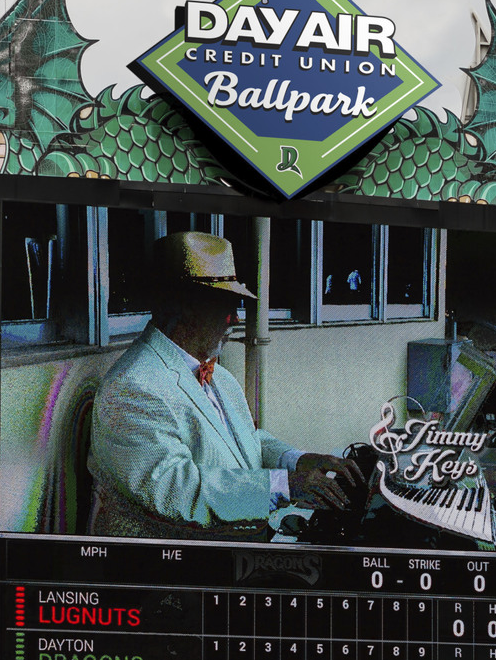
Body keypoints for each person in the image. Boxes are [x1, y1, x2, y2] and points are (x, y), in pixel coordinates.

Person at [88, 230, 362, 539]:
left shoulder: (217, 374)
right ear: (185, 304)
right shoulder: (133, 387)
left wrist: (296, 459)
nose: (234, 319)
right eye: (225, 305)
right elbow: (178, 490)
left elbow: (246, 441)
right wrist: (285, 484)